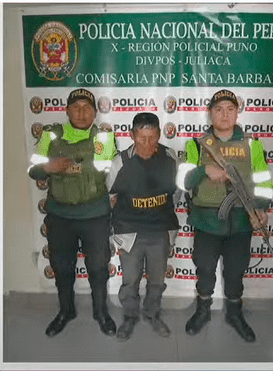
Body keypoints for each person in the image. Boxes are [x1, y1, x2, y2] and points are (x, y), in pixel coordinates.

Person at [176, 89, 273, 342]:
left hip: (241, 222)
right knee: (205, 268)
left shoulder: (252, 144)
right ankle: (203, 310)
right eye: (219, 109)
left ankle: (234, 313)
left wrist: (261, 208)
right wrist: (203, 170)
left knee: (235, 271)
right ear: (210, 113)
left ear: (237, 112)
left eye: (230, 109)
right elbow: (183, 181)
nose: (224, 114)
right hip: (207, 222)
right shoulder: (196, 144)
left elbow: (262, 179)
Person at [28, 88, 118, 337]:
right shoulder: (50, 135)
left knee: (98, 268)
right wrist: (48, 165)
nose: (81, 112)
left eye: (87, 107)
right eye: (76, 107)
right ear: (66, 110)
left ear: (95, 112)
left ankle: (101, 312)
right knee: (62, 267)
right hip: (60, 217)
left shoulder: (104, 138)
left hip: (95, 216)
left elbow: (113, 173)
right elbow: (33, 170)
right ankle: (66, 311)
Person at [106, 112, 179, 341]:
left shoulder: (170, 157)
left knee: (157, 280)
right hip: (130, 231)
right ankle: (129, 317)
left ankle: (152, 314)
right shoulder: (121, 162)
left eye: (152, 138)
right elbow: (110, 196)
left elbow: (175, 194)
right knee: (130, 280)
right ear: (132, 136)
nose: (148, 144)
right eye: (142, 138)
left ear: (159, 135)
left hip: (160, 230)